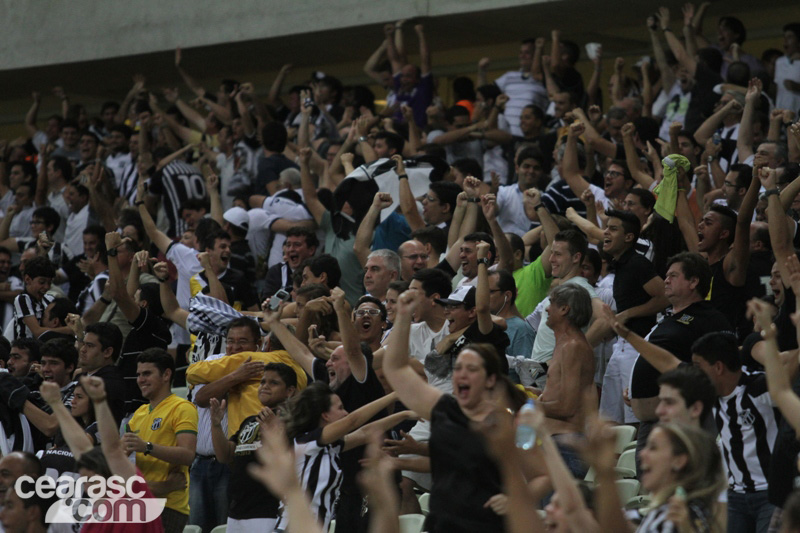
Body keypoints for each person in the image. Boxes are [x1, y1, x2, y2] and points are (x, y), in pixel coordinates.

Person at [384, 287, 507, 532]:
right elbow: (396, 369)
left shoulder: (506, 421)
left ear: (491, 379)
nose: (461, 375)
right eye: (458, 368)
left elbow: (539, 473)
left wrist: (514, 498)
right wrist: (403, 317)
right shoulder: (448, 410)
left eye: (471, 370)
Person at [274, 383, 409, 532]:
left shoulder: (328, 446)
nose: (345, 413)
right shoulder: (306, 442)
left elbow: (365, 432)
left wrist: (404, 415)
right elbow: (353, 421)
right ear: (325, 415)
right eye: (340, 408)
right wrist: (395, 395)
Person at [588, 420, 726, 532]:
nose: (642, 454)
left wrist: (606, 474)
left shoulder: (676, 518)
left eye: (653, 448)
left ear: (679, 461)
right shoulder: (659, 513)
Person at [209, 363, 298, 532]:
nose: (265, 386)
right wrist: (216, 426)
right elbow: (225, 455)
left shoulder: (295, 421)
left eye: (274, 383)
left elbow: (293, 461)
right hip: (237, 511)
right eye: (263, 382)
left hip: (268, 511)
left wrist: (275, 430)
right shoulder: (250, 421)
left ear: (290, 391)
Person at [124, 348, 198, 532]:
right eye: (139, 374)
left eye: (147, 373)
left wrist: (146, 447)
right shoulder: (138, 414)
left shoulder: (182, 408)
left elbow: (188, 455)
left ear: (166, 375)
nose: (140, 379)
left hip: (169, 506)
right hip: (139, 502)